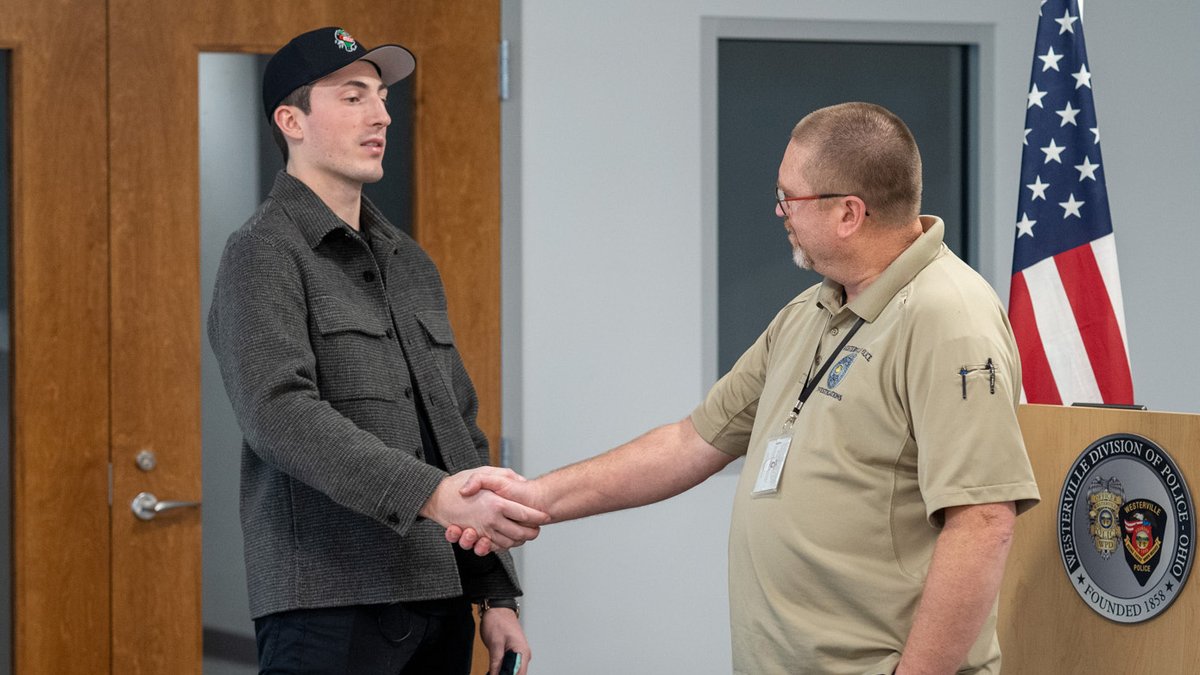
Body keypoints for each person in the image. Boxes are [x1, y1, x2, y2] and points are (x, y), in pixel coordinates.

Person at [450, 102, 1041, 674]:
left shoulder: (948, 317)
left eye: (790, 196)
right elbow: (690, 442)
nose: (779, 211)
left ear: (849, 213)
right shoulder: (811, 311)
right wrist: (529, 500)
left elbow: (982, 521)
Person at [207, 26, 544, 675]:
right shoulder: (262, 253)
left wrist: (495, 593)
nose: (382, 113)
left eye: (382, 96)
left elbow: (457, 428)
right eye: (353, 95)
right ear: (291, 119)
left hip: (438, 599)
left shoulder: (409, 261)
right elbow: (278, 414)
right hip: (326, 608)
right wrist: (433, 494)